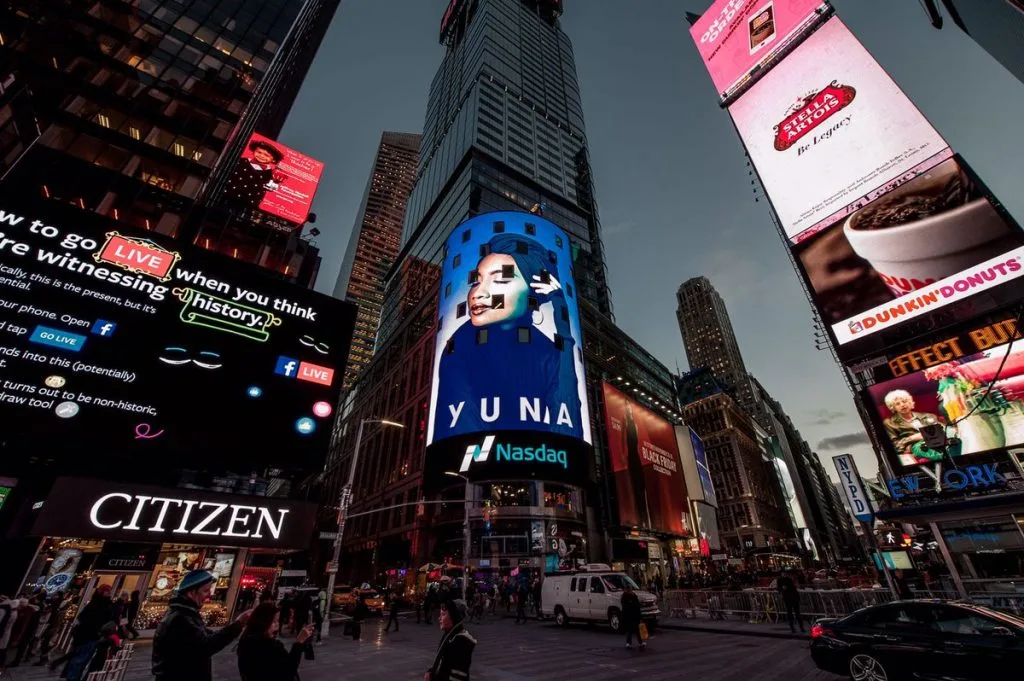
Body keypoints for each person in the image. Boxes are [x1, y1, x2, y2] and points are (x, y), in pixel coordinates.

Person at [432, 232, 585, 443]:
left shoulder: (549, 353)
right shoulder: (459, 346)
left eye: (500, 279)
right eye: (477, 281)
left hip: (538, 460)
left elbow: (567, 435)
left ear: (533, 292)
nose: (478, 293)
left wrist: (561, 312)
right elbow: (460, 439)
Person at [152, 570, 252, 681]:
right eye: (205, 591)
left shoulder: (186, 613)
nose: (209, 595)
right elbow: (205, 645)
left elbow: (207, 636)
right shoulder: (181, 618)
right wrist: (238, 624)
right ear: (191, 593)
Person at [237, 602, 314, 681]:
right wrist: (299, 642)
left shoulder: (247, 641)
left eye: (277, 621)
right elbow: (287, 671)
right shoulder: (265, 646)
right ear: (263, 622)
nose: (277, 625)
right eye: (274, 621)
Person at [60, 584, 116, 681]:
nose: (109, 593)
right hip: (88, 636)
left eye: (109, 591)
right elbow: (84, 618)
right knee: (80, 660)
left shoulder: (102, 604)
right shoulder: (98, 604)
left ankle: (74, 677)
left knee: (82, 660)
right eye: (107, 591)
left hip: (92, 636)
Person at [424, 599, 475, 681]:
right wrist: (431, 672)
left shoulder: (461, 641)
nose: (439, 618)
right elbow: (442, 663)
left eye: (443, 614)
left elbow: (457, 676)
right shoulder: (449, 635)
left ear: (454, 617)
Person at [227, 138, 285, 209]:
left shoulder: (271, 173)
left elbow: (270, 188)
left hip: (249, 203)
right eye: (259, 152)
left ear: (274, 160)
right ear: (253, 151)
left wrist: (276, 181)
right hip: (228, 194)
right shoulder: (241, 161)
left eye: (267, 155)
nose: (262, 156)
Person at [620, 583, 645, 650]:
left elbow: (636, 606)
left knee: (632, 630)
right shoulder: (627, 596)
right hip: (631, 615)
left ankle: (631, 643)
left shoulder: (629, 596)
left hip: (631, 615)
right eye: (629, 588)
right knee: (633, 630)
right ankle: (637, 642)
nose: (629, 590)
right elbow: (636, 606)